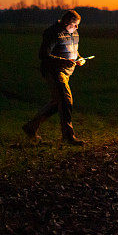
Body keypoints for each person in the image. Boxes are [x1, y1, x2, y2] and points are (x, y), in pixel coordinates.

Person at [23, 9, 87, 145]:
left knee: (58, 102)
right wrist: (62, 61)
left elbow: (74, 50)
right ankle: (68, 136)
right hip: (54, 71)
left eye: (78, 25)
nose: (77, 28)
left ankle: (31, 127)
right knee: (65, 100)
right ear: (66, 22)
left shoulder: (74, 33)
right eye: (74, 24)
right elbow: (43, 55)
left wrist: (80, 58)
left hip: (67, 72)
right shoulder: (53, 33)